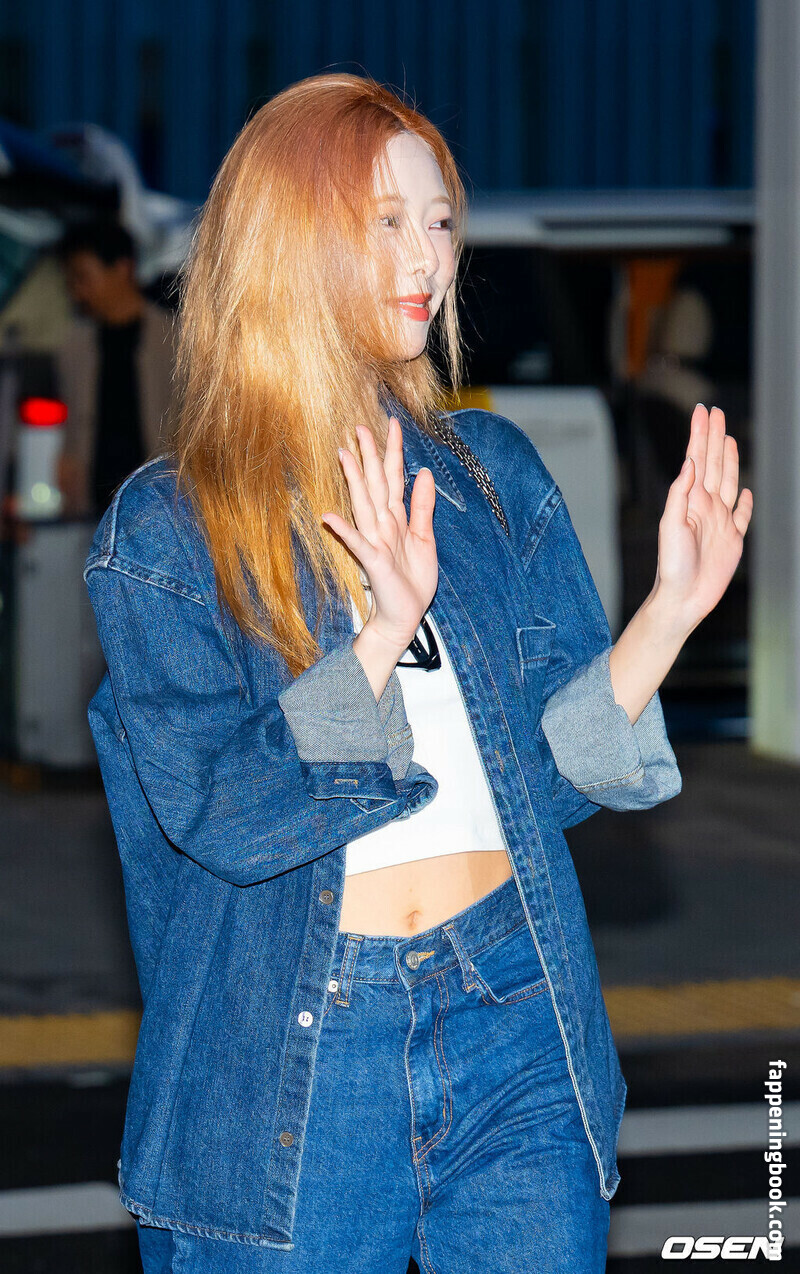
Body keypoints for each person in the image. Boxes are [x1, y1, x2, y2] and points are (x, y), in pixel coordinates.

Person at [82, 74, 753, 1273]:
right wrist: (377, 637)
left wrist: (668, 612)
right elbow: (220, 809)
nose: (427, 255)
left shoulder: (486, 473)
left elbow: (550, 779)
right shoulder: (171, 529)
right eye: (384, 221)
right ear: (287, 242)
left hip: (513, 1004)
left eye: (438, 220)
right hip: (300, 1049)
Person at [54, 219, 176, 518]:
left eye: (83, 277)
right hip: (89, 506)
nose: (77, 291)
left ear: (122, 268)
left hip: (160, 506)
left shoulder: (175, 339)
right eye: (72, 281)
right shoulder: (72, 348)